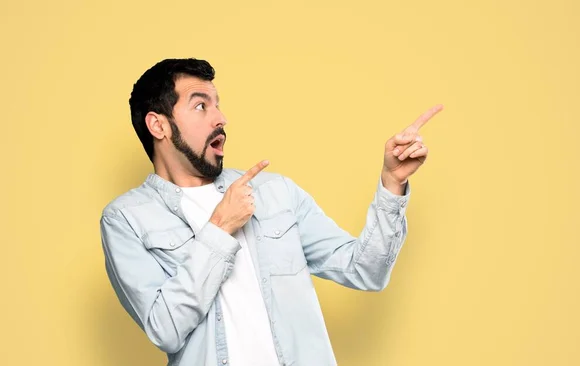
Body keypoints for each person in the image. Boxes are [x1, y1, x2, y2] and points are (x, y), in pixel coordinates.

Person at [100, 58, 443, 366]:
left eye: (218, 105)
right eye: (201, 106)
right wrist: (220, 227)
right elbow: (165, 329)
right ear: (158, 126)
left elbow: (365, 270)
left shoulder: (274, 192)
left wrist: (392, 184)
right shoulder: (127, 220)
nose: (221, 118)